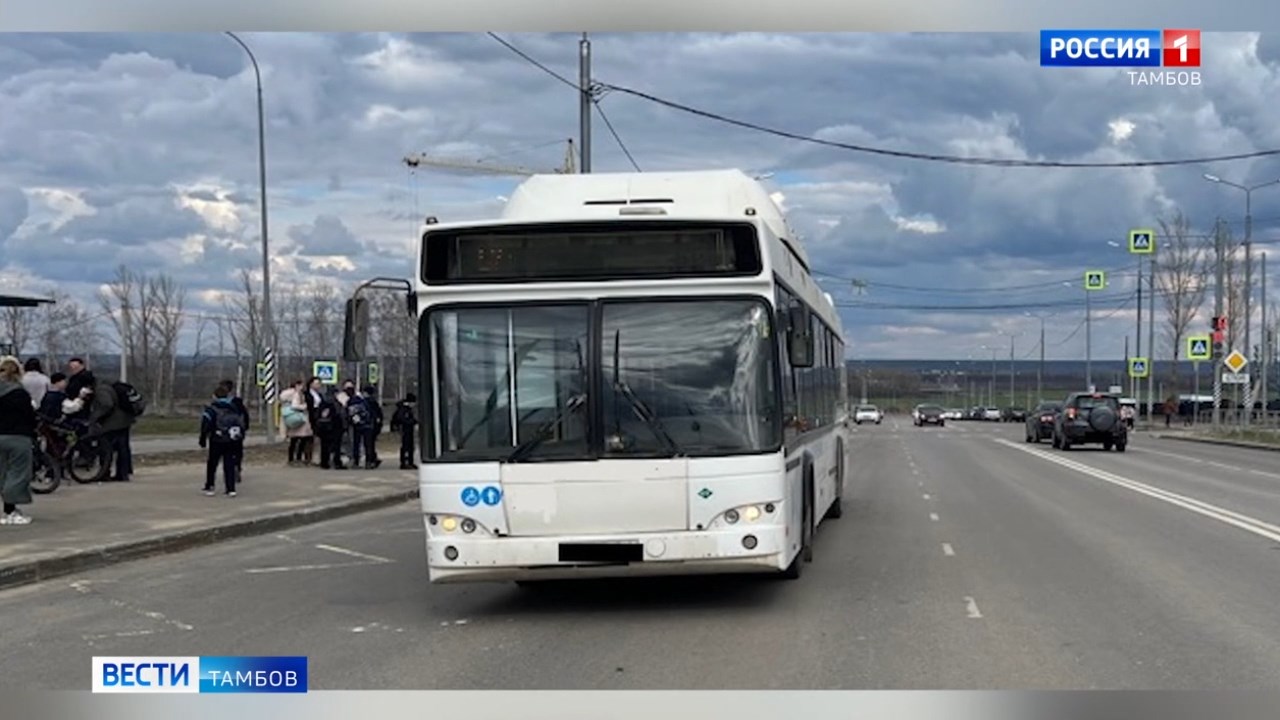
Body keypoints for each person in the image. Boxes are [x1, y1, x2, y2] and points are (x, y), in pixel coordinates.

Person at [0, 356, 37, 525]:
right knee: (18, 473)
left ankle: (8, 509)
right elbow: (29, 416)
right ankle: (10, 510)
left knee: (2, 473)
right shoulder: (19, 393)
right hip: (18, 437)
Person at [199, 383, 247, 497]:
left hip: (216, 439)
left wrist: (203, 438)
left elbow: (206, 424)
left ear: (215, 396)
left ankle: (210, 486)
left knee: (212, 463)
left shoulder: (211, 409)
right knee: (229, 464)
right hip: (231, 440)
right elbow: (241, 423)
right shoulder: (234, 408)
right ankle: (230, 489)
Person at [218, 379, 250, 481]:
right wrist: (245, 427)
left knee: (226, 451)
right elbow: (244, 415)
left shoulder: (218, 403)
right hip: (237, 430)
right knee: (237, 450)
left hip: (223, 430)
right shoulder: (237, 401)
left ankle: (229, 470)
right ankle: (236, 466)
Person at [279, 379, 313, 466]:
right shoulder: (296, 394)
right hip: (299, 418)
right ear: (297, 385)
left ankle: (291, 459)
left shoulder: (286, 395)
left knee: (293, 441)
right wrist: (304, 406)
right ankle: (297, 458)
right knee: (301, 440)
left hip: (291, 419)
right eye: (301, 385)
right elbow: (295, 405)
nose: (302, 387)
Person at [314, 386, 347, 470]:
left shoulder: (322, 402)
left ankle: (324, 462)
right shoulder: (335, 403)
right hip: (335, 427)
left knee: (324, 446)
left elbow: (318, 415)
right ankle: (336, 462)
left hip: (323, 427)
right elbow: (339, 415)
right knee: (336, 446)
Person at [390, 392, 418, 470]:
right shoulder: (403, 409)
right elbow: (402, 419)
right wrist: (412, 422)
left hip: (408, 429)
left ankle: (409, 462)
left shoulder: (406, 409)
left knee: (410, 447)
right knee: (406, 446)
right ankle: (405, 462)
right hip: (405, 429)